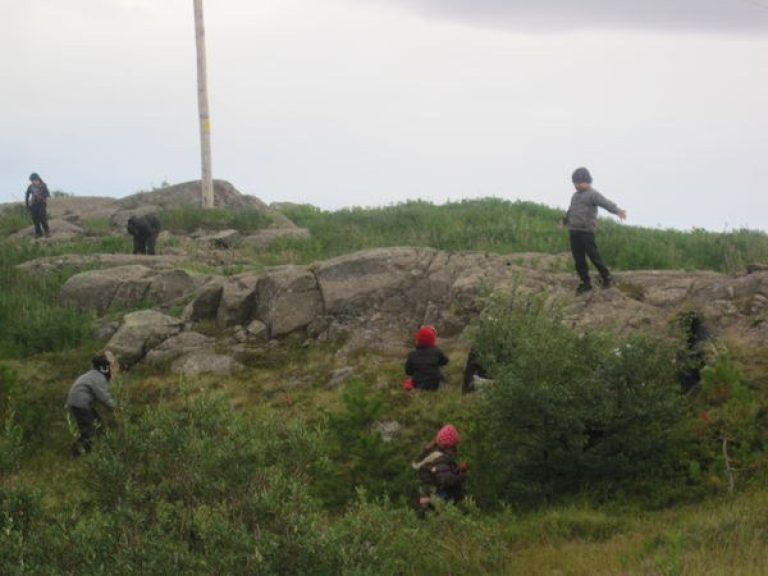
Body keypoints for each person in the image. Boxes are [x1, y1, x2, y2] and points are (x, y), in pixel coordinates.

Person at [561, 167, 626, 294]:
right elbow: (571, 210)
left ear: (587, 181)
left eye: (578, 182)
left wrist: (617, 211)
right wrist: (565, 221)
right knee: (578, 259)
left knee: (593, 256)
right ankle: (585, 283)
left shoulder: (593, 194)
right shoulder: (575, 196)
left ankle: (607, 277)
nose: (576, 185)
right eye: (575, 183)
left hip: (587, 231)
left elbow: (605, 203)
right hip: (574, 230)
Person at [66, 354, 117, 457]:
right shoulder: (99, 378)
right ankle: (77, 453)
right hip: (81, 404)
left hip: (78, 402)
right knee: (89, 429)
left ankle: (93, 449)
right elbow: (103, 397)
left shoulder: (91, 374)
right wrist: (117, 407)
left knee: (97, 423)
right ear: (104, 368)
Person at [411, 424, 468, 509]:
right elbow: (446, 480)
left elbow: (443, 472)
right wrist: (462, 475)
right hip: (437, 498)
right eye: (454, 446)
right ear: (448, 446)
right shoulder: (439, 458)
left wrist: (457, 469)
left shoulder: (435, 455)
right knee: (453, 492)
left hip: (432, 494)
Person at [405, 326, 449, 391]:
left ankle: (411, 389)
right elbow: (445, 361)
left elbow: (408, 372)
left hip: (418, 385)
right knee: (439, 372)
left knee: (409, 381)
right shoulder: (437, 352)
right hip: (434, 385)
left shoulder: (412, 355)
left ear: (418, 340)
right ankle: (444, 384)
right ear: (433, 340)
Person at [24, 172, 51, 238]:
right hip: (33, 204)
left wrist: (41, 196)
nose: (33, 182)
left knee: (42, 217)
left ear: (38, 179)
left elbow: (48, 194)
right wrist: (27, 205)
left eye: (34, 180)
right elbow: (27, 195)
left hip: (41, 204)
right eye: (32, 180)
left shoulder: (43, 185)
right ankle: (38, 233)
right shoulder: (30, 187)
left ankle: (47, 231)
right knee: (35, 219)